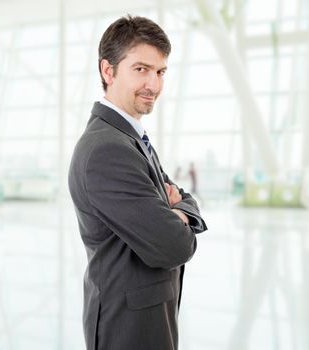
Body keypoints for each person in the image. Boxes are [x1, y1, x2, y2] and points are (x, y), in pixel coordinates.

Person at [68, 15, 207, 350]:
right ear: (108, 71)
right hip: (129, 332)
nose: (154, 85)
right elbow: (175, 245)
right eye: (141, 69)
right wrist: (176, 215)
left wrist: (178, 210)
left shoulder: (129, 138)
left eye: (160, 72)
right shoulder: (107, 149)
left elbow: (183, 196)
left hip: (145, 323)